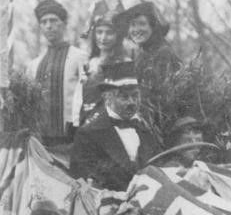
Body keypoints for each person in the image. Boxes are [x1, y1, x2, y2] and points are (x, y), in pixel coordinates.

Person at [69, 60, 163, 191]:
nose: (132, 102)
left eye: (135, 96)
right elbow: (81, 179)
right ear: (107, 98)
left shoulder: (146, 128)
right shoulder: (88, 134)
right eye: (124, 97)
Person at [26, 0, 88, 144]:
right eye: (44, 22)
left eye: (53, 20)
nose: (49, 26)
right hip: (41, 140)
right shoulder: (34, 65)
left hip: (73, 138)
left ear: (64, 23)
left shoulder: (80, 57)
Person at [113, 1, 182, 132]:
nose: (136, 30)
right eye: (132, 25)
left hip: (160, 126)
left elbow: (159, 99)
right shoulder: (143, 54)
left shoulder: (162, 53)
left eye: (142, 24)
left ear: (153, 26)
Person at [79, 0, 125, 126]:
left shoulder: (121, 63)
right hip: (86, 122)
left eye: (109, 33)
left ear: (118, 36)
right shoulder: (90, 62)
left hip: (109, 124)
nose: (103, 38)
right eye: (99, 32)